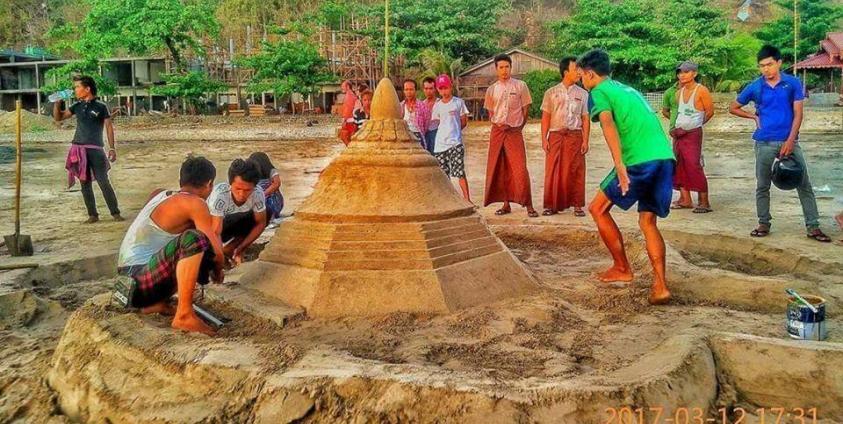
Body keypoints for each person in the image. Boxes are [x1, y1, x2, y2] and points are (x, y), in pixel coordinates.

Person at [578, 49, 675, 305]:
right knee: (647, 222)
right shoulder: (627, 89)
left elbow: (607, 122)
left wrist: (619, 164)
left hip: (638, 160)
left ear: (589, 74)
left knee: (597, 208)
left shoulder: (597, 92)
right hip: (664, 157)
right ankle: (660, 286)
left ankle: (622, 268)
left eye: (581, 77)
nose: (581, 82)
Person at [729, 45, 831, 242]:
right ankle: (763, 223)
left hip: (790, 140)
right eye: (761, 66)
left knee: (804, 184)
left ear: (779, 63)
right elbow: (733, 107)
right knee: (763, 185)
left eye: (769, 65)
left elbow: (798, 114)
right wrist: (753, 117)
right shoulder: (755, 86)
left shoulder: (792, 83)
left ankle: (813, 226)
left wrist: (791, 140)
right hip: (764, 141)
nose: (765, 69)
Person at [117, 156, 225, 335]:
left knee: (183, 245)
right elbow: (216, 251)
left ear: (181, 180)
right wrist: (218, 269)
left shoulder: (158, 194)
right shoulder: (195, 203)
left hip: (127, 281)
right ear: (209, 184)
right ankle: (184, 315)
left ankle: (155, 304)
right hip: (140, 281)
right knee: (194, 239)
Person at [53, 75, 123, 223]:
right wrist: (57, 103)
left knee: (103, 181)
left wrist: (112, 148)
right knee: (84, 183)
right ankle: (93, 215)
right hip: (78, 148)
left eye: (78, 87)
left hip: (96, 149)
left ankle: (115, 212)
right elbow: (58, 118)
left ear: (87, 89)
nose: (75, 90)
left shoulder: (101, 107)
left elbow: (109, 127)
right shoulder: (76, 106)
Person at [483, 53, 538, 218]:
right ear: (496, 69)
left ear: (511, 68)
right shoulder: (492, 89)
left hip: (514, 131)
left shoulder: (521, 86)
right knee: (500, 168)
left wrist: (519, 127)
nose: (504, 70)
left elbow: (526, 109)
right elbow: (490, 113)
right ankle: (505, 204)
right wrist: (498, 125)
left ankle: (529, 205)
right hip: (498, 132)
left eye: (507, 67)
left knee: (520, 168)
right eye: (501, 67)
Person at [540, 56, 591, 217]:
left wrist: (585, 140)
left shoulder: (583, 94)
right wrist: (544, 139)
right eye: (576, 69)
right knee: (553, 171)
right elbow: (546, 118)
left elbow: (585, 118)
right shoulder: (551, 92)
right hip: (555, 136)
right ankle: (550, 205)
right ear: (565, 71)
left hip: (575, 135)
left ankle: (577, 205)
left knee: (576, 169)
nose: (579, 72)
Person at [668, 61, 714, 213]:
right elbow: (675, 112)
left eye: (686, 72)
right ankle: (685, 199)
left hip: (693, 134)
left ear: (694, 73)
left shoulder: (701, 91)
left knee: (694, 165)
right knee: (679, 165)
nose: (682, 75)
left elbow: (709, 112)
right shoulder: (678, 93)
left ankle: (704, 201)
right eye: (680, 72)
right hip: (679, 135)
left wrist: (694, 126)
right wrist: (676, 129)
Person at [207, 159, 268, 266]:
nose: (241, 194)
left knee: (266, 214)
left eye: (247, 190)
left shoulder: (258, 194)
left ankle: (231, 249)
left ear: (254, 187)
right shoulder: (220, 196)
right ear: (230, 184)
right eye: (238, 188)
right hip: (210, 227)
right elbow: (215, 231)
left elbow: (261, 222)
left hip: (235, 223)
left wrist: (241, 248)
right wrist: (219, 258)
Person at [430, 74, 471, 202]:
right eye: (441, 89)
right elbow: (436, 123)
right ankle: (446, 200)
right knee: (443, 174)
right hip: (440, 145)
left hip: (455, 144)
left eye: (446, 88)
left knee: (460, 172)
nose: (444, 91)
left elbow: (464, 121)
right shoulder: (437, 106)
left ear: (450, 87)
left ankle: (467, 199)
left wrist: (455, 132)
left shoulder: (458, 103)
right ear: (438, 89)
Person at [248, 152, 284, 222]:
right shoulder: (253, 173)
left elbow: (277, 184)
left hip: (272, 199)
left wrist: (263, 194)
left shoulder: (272, 171)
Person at [401, 79, 431, 150]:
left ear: (415, 90)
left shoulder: (422, 106)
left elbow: (426, 124)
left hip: (418, 137)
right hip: (404, 137)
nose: (409, 92)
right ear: (404, 91)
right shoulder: (401, 106)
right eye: (406, 90)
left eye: (411, 89)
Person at [422, 76, 440, 154]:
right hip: (425, 135)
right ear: (423, 89)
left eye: (431, 88)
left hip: (437, 135)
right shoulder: (421, 105)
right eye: (426, 88)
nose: (428, 91)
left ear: (435, 89)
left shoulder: (440, 103)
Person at [338, 80, 359, 145]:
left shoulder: (349, 95)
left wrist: (344, 120)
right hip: (352, 119)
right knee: (349, 137)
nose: (342, 88)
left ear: (347, 86)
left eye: (343, 86)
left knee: (344, 136)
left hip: (349, 120)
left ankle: (350, 148)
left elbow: (348, 109)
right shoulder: (352, 95)